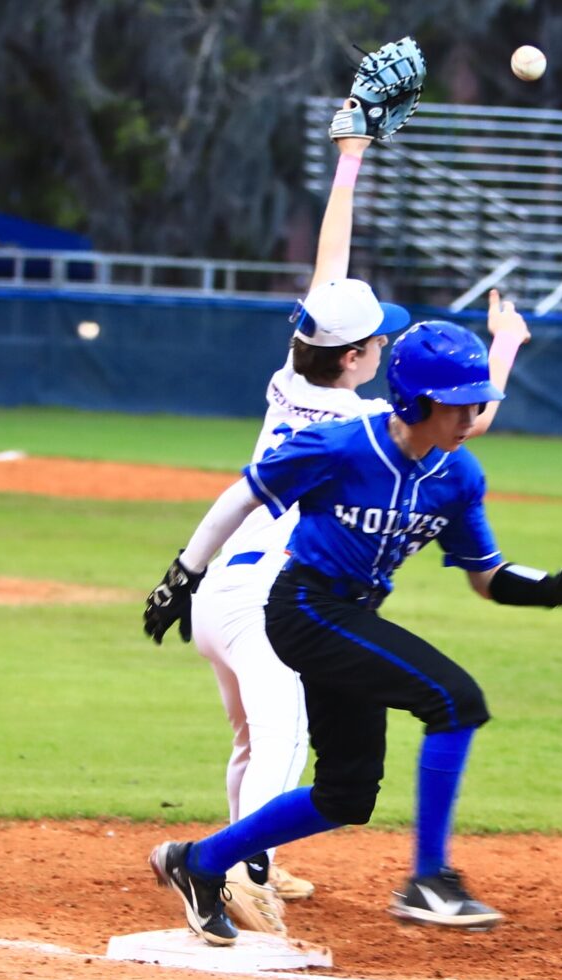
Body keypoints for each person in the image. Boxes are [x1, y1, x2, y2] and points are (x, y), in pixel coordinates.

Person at [160, 102, 531, 937]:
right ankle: (232, 875)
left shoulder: (291, 383)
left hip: (222, 583)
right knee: (284, 736)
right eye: (375, 342)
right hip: (271, 598)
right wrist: (503, 349)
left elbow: (331, 275)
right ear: (359, 359)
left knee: (261, 738)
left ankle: (248, 858)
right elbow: (458, 426)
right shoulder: (354, 431)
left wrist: (351, 156)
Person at [143, 318, 562, 947]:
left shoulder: (457, 476)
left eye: (478, 403)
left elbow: (487, 576)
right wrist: (184, 576)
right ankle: (430, 879)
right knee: (455, 700)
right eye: (459, 404)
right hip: (304, 607)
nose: (471, 417)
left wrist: (549, 590)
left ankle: (198, 863)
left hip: (353, 616)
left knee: (346, 795)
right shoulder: (341, 445)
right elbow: (243, 496)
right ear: (417, 400)